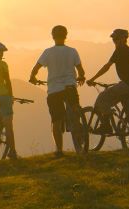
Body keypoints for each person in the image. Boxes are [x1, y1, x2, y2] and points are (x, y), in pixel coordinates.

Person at [29, 25, 86, 159]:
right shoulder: (72, 51)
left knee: (56, 120)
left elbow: (35, 69)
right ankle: (80, 148)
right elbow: (81, 71)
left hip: (54, 90)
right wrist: (81, 77)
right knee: (75, 115)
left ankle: (59, 152)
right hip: (70, 87)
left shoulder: (47, 52)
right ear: (66, 36)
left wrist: (33, 78)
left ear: (53, 37)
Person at [86, 29, 129, 135]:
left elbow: (107, 66)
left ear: (124, 39)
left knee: (103, 97)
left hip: (127, 84)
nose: (115, 41)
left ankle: (106, 126)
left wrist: (92, 79)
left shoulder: (120, 50)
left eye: (117, 39)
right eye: (113, 39)